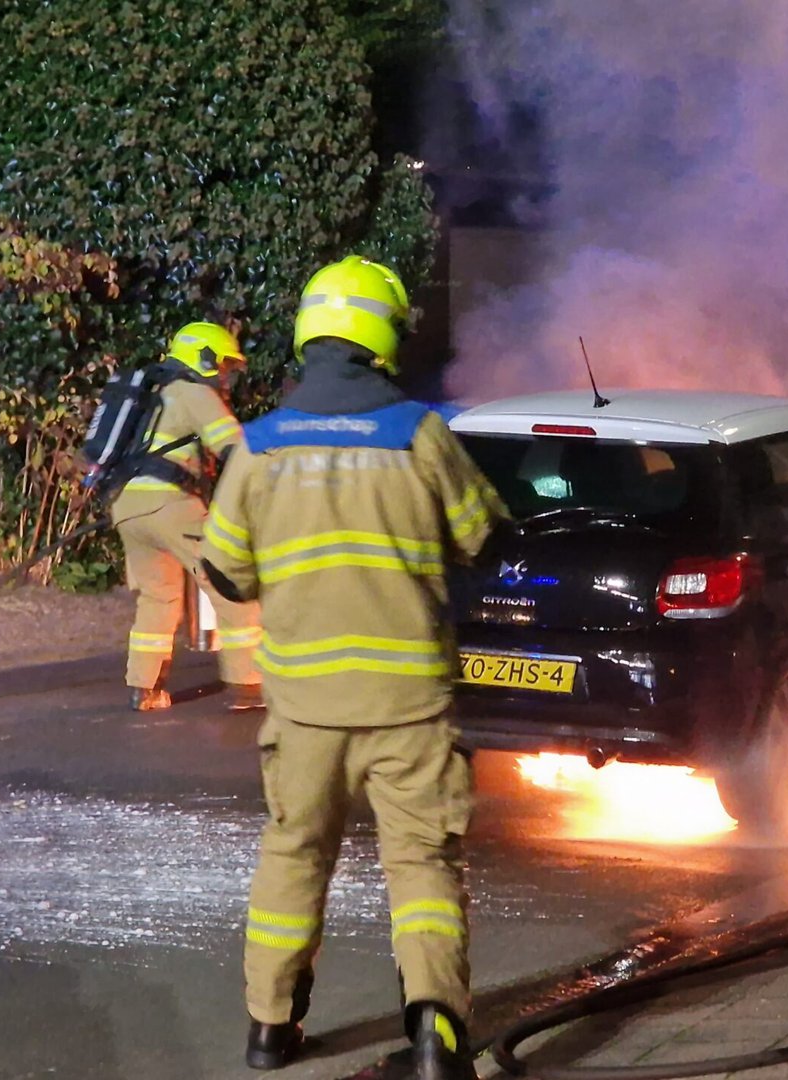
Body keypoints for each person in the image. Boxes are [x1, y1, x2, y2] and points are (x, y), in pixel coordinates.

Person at [201, 256, 508, 1076]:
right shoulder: (420, 435)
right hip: (410, 707)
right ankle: (437, 1038)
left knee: (294, 857)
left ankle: (269, 1031)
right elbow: (483, 537)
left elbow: (226, 572)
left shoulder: (259, 448)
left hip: (305, 712)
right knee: (422, 867)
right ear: (381, 334)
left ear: (308, 333)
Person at [112, 322, 263, 712]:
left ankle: (144, 688)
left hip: (128, 506)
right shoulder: (195, 393)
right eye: (225, 365)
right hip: (171, 505)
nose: (227, 375)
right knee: (231, 583)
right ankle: (249, 684)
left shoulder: (153, 393)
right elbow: (236, 451)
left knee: (158, 597)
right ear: (206, 358)